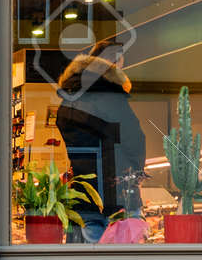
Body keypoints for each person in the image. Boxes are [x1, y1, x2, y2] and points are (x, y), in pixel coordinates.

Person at [55, 40, 146, 243]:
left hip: (83, 196)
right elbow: (134, 139)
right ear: (113, 63)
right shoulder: (109, 96)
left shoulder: (68, 99)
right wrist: (136, 170)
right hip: (117, 196)